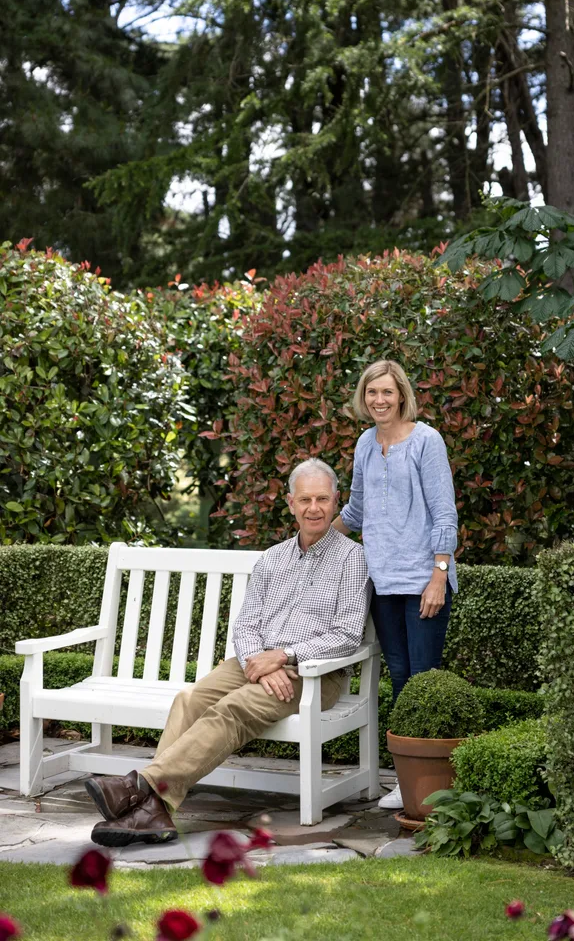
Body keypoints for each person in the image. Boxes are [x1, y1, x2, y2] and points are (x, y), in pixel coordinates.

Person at [85, 458, 371, 846]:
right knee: (189, 698)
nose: (314, 508)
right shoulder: (273, 557)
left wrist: (284, 656)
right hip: (257, 663)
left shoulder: (352, 559)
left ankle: (140, 787)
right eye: (305, 499)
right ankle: (155, 811)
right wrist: (262, 662)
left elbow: (348, 634)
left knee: (232, 709)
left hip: (313, 674)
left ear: (337, 501)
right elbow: (246, 624)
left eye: (322, 498)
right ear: (290, 503)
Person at [332, 358, 458, 810]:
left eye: (387, 392)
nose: (379, 400)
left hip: (424, 578)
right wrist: (311, 538)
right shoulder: (365, 444)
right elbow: (355, 512)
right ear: (363, 399)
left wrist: (438, 576)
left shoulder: (427, 441)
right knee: (400, 677)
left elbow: (444, 514)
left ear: (401, 394)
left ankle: (428, 788)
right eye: (371, 393)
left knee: (423, 681)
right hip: (381, 581)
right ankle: (406, 784)